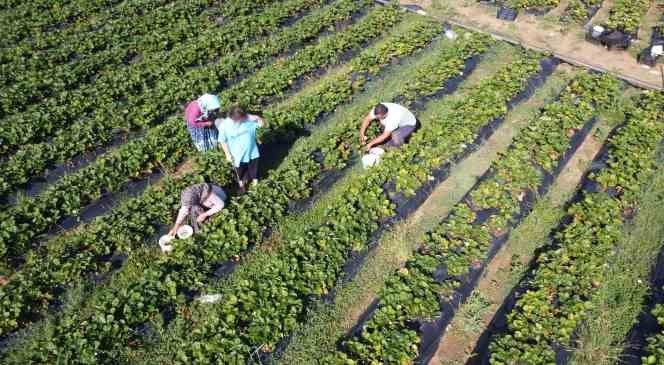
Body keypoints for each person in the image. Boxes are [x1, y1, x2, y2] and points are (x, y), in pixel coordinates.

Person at [216, 106, 266, 193]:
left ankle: (255, 182)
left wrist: (258, 118)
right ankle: (242, 184)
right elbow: (222, 141)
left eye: (244, 117)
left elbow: (263, 125)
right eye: (241, 118)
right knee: (239, 171)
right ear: (234, 119)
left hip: (252, 151)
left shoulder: (248, 119)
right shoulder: (224, 126)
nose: (244, 119)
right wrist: (227, 154)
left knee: (254, 168)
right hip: (237, 154)